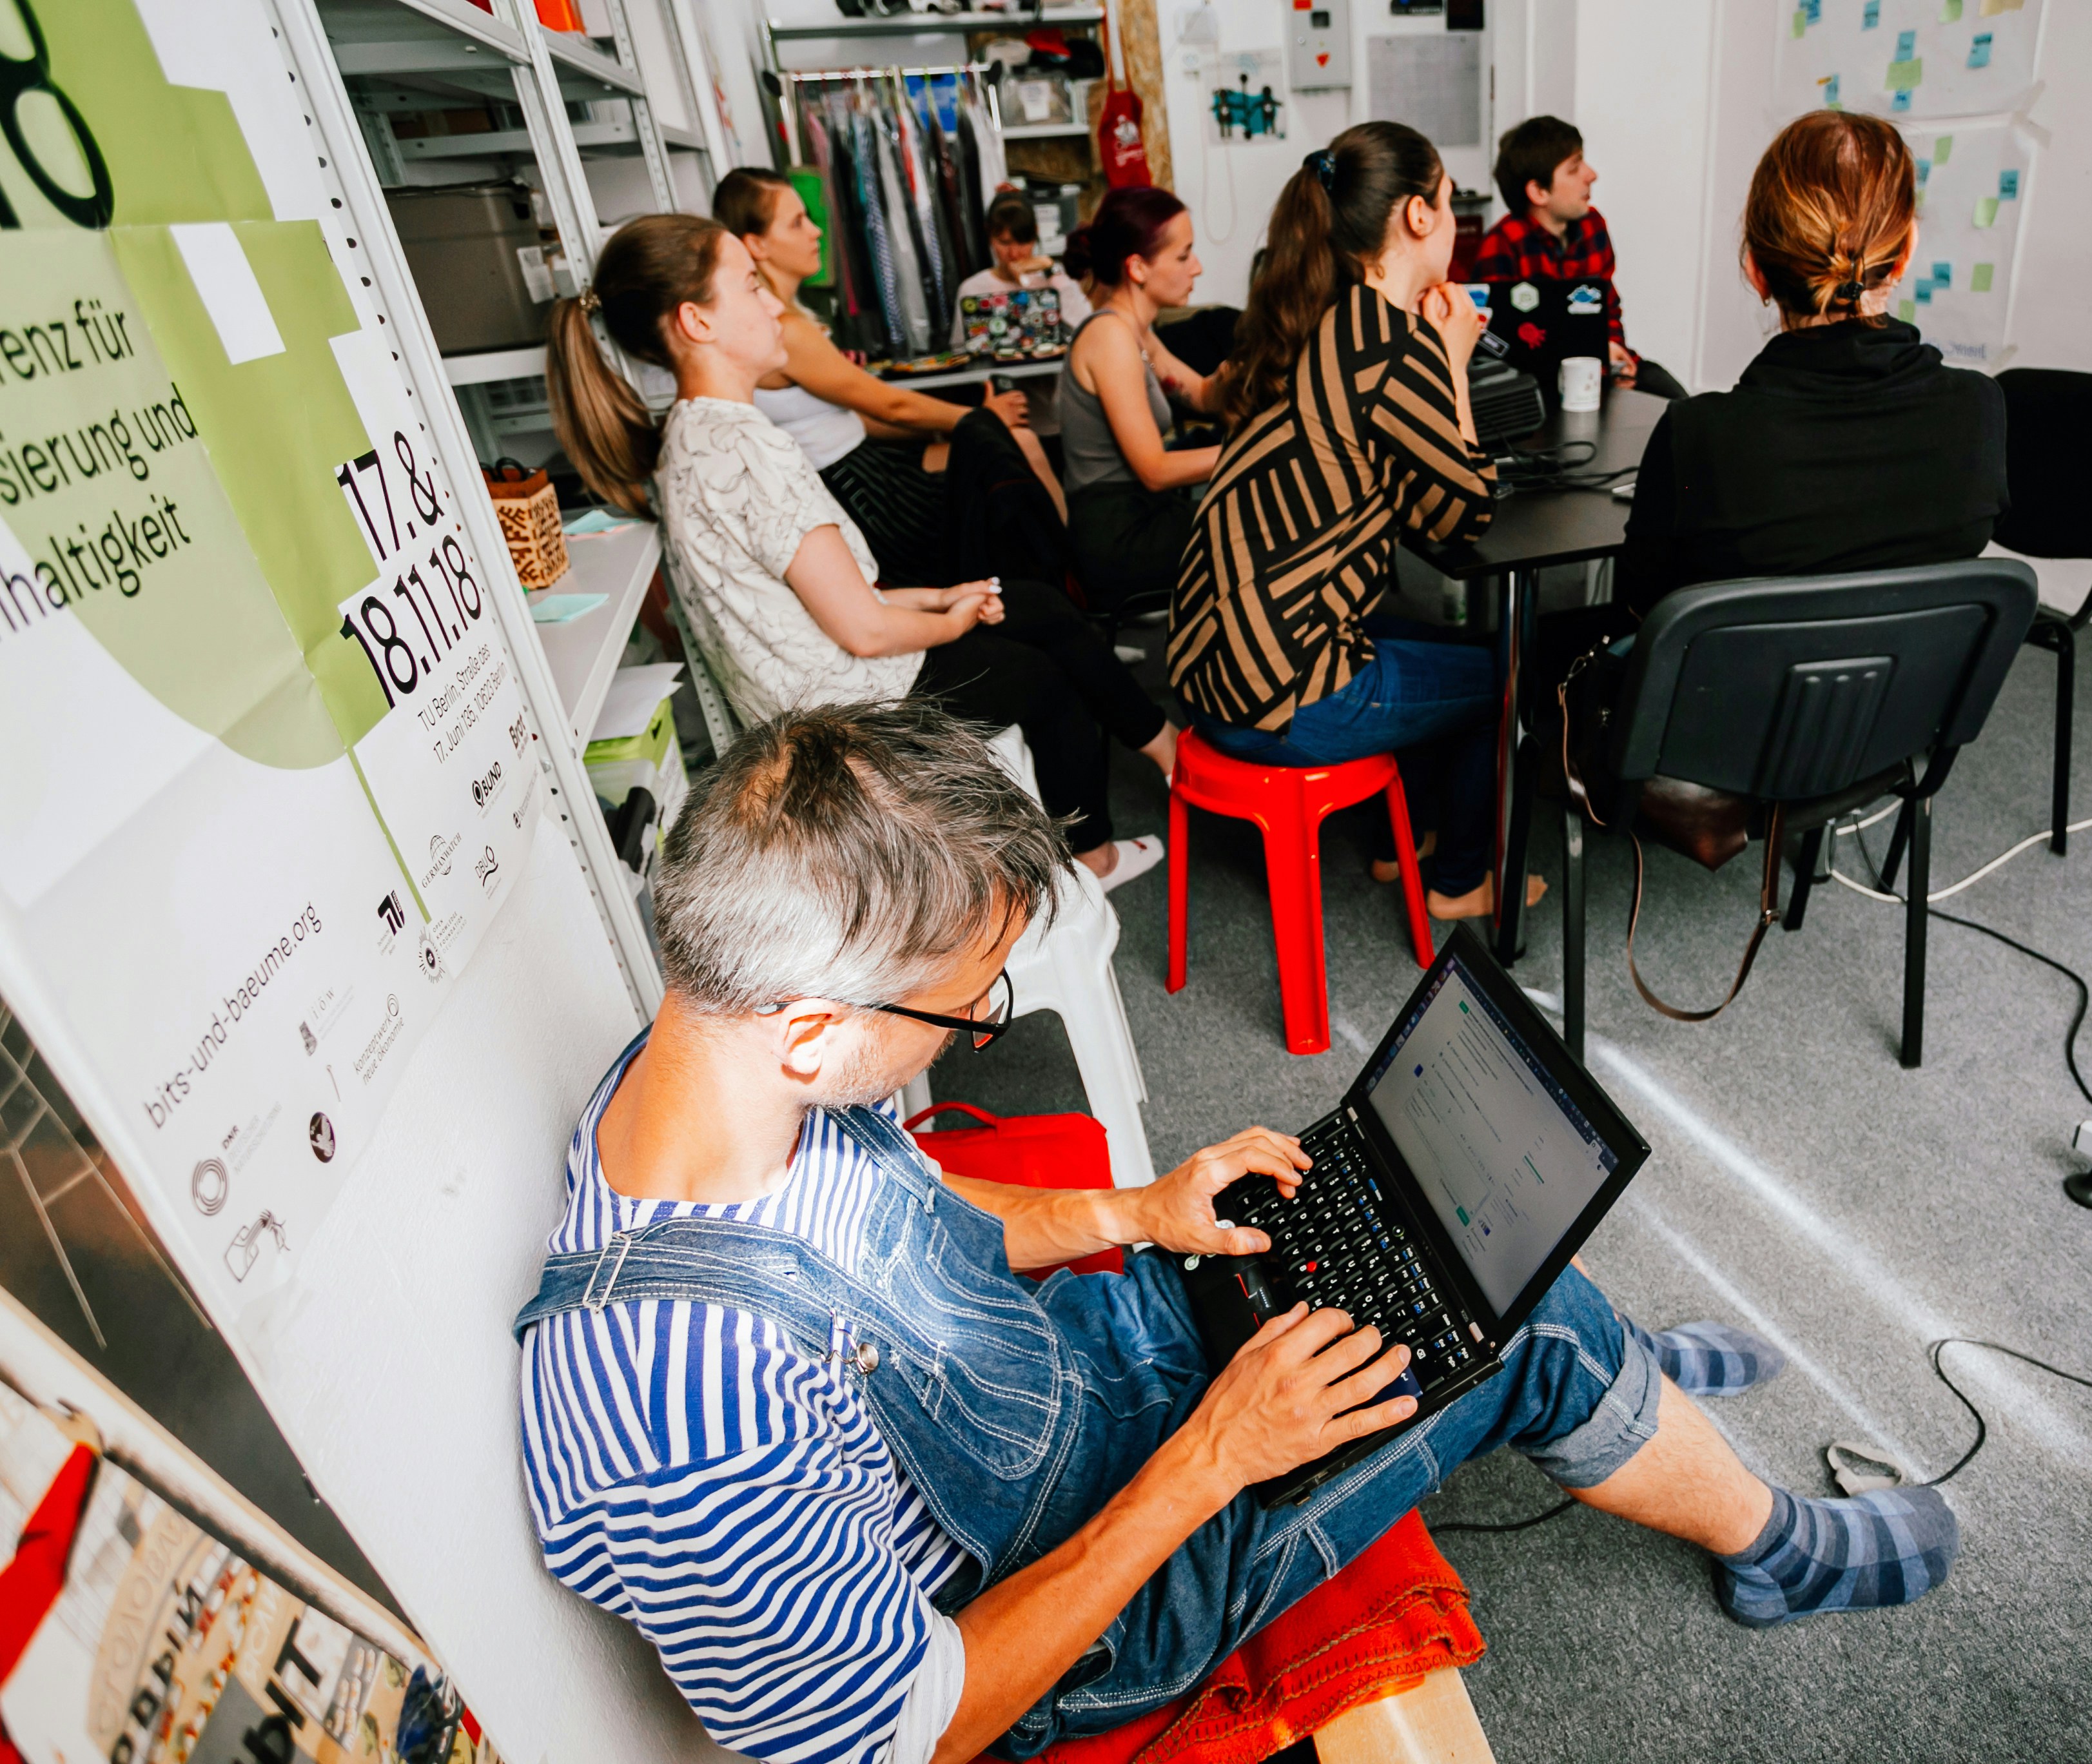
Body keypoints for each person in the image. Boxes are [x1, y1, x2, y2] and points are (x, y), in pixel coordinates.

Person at [514, 697, 1957, 1764]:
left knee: (1378, 1234)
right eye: (968, 1009)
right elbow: (916, 1726)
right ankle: (1763, 1535)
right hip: (1079, 1606)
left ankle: (1604, 1380)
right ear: (816, 1029)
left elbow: (906, 1215)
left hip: (1061, 1382)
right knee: (1523, 1325)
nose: (972, 1031)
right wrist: (1218, 1452)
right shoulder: (680, 1418)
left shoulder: (703, 1072)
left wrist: (1130, 1212)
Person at [543, 211, 1175, 888]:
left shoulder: (693, 436)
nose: (774, 307)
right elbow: (866, 631)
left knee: (1037, 604)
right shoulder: (748, 449)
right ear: (698, 322)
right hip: (845, 713)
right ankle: (1095, 857)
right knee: (1046, 681)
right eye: (753, 286)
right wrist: (952, 620)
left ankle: (1164, 750)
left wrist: (941, 597)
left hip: (815, 689)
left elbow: (821, 598)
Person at [1174, 123, 1538, 921]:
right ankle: (1458, 882)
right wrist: (1451, 362)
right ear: (1417, 215)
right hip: (1281, 697)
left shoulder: (1319, 318)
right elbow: (1464, 511)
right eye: (1449, 203)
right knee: (1508, 679)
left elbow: (1398, 496)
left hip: (1213, 671)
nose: (1454, 224)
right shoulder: (1393, 343)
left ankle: (1401, 844)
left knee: (1445, 646)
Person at [1612, 110, 2008, 617]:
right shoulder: (1978, 408)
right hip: (1920, 671)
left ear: (1755, 270)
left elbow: (1642, 605)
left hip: (1744, 671)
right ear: (1905, 254)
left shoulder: (1698, 436)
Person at [714, 168, 1072, 588]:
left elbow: (859, 418)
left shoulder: (789, 318)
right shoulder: (786, 329)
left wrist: (958, 427)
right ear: (756, 244)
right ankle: (1071, 581)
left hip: (869, 467)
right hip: (866, 492)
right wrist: (982, 417)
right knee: (1015, 452)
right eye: (797, 223)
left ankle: (1064, 580)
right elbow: (892, 405)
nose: (817, 231)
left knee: (1016, 447)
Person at [1059, 186, 1222, 618]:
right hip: (1119, 535)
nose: (1197, 267)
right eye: (1184, 256)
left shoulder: (1136, 331)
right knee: (1259, 527)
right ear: (1137, 268)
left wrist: (1253, 370)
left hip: (1139, 514)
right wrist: (1253, 450)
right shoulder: (1110, 337)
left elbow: (1203, 394)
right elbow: (1156, 470)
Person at [1468, 115, 1686, 400]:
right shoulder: (1502, 244)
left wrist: (1612, 350)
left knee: (1673, 397)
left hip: (1602, 368)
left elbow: (1607, 306)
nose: (1591, 175)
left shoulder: (1593, 225)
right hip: (1539, 382)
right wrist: (1591, 355)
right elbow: (1493, 340)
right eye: (1574, 169)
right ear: (1539, 192)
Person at [955, 190, 1092, 434]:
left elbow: (1088, 325)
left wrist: (1052, 271)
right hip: (1000, 420)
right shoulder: (973, 289)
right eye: (1004, 243)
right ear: (990, 237)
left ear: (1035, 235)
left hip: (1055, 417)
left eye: (1023, 242)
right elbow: (959, 353)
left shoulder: (1052, 280)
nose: (1015, 253)